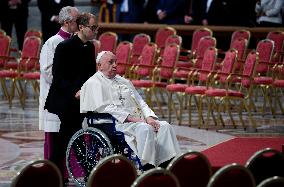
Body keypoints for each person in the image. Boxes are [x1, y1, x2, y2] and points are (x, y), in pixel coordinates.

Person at [80, 51, 181, 170]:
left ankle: (167, 163)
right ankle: (147, 165)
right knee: (145, 128)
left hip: (137, 120)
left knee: (164, 126)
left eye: (116, 62)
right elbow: (104, 107)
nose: (115, 65)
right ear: (99, 65)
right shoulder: (94, 82)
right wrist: (133, 119)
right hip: (115, 123)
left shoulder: (123, 81)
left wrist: (149, 117)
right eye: (110, 62)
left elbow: (140, 101)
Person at [44, 12, 98, 182]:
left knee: (71, 137)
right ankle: (88, 173)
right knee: (69, 137)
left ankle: (54, 172)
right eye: (93, 27)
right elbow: (58, 77)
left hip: (81, 100)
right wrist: (75, 91)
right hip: (65, 99)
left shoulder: (90, 47)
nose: (96, 30)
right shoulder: (64, 46)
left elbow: (90, 75)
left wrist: (91, 90)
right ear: (81, 27)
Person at [39, 6, 79, 161]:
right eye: (77, 21)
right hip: (57, 98)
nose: (80, 24)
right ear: (68, 22)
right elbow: (48, 71)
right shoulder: (52, 43)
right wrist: (70, 85)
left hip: (72, 99)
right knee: (57, 138)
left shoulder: (76, 42)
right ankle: (56, 173)